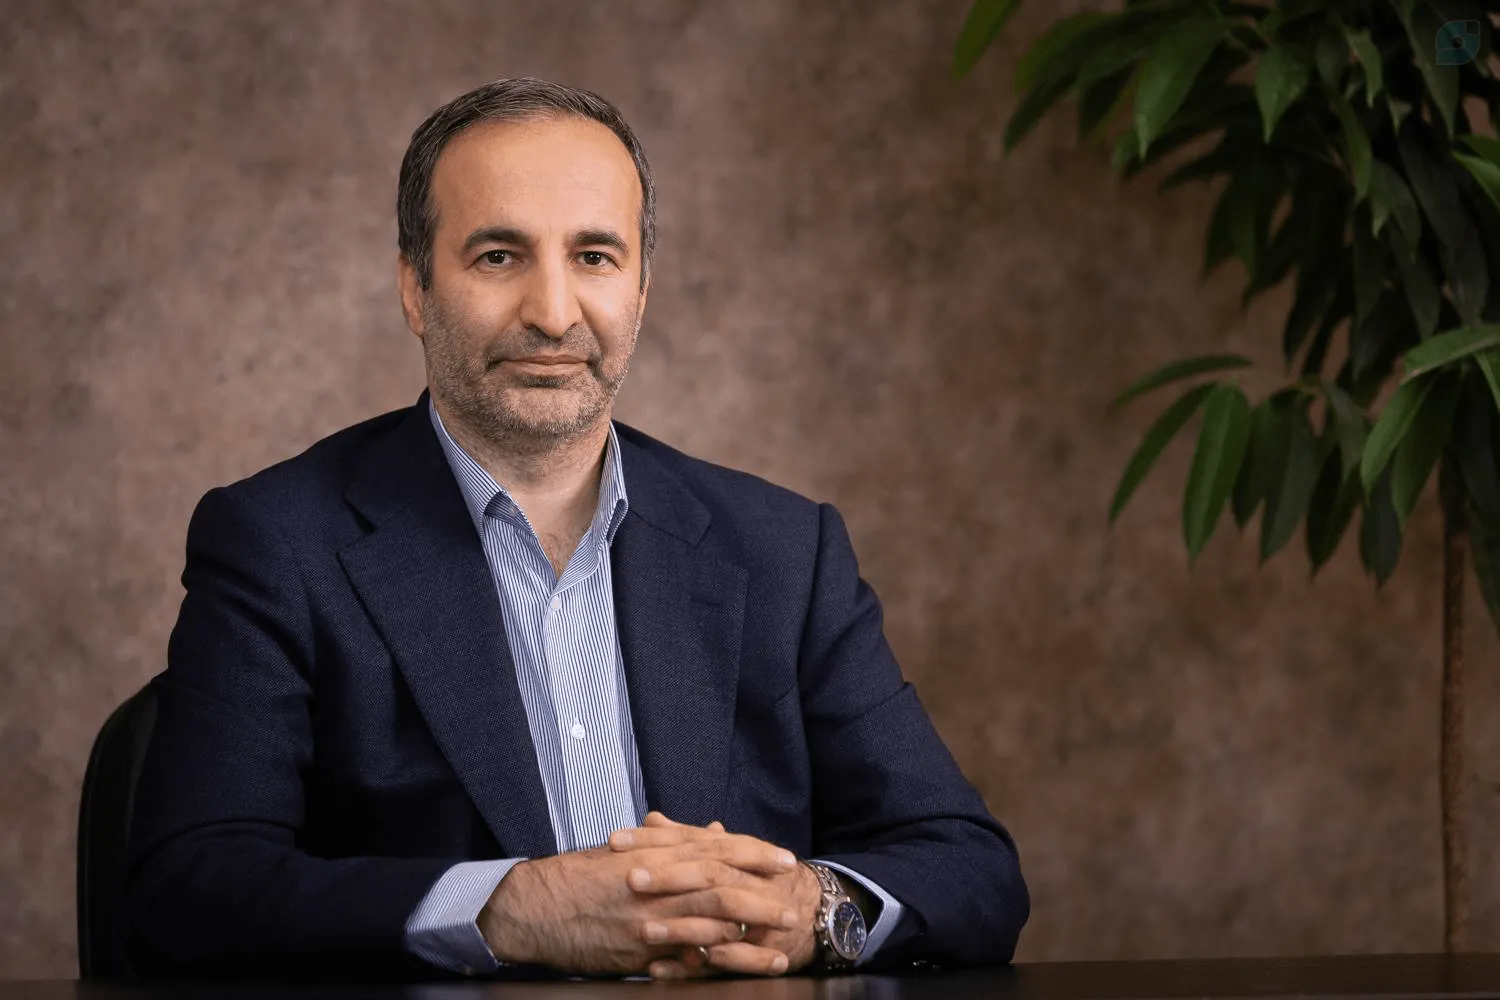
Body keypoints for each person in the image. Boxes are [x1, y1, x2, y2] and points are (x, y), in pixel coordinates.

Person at [124, 77, 1029, 982]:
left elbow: (970, 868)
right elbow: (190, 890)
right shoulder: (278, 543)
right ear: (414, 288)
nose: (554, 313)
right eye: (498, 256)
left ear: (641, 291)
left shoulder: (785, 552)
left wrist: (814, 912)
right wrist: (509, 908)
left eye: (595, 256)